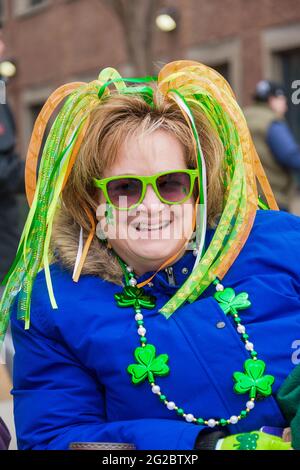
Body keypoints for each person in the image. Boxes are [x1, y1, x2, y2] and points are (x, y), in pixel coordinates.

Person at [0, 61, 299, 450]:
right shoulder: (54, 306)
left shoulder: (282, 242)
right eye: (125, 188)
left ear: (197, 191)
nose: (152, 206)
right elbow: (55, 438)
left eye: (171, 184)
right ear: (93, 203)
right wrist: (199, 447)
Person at [244, 80, 300, 211]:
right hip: (272, 197)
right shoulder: (272, 122)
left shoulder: (243, 115)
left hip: (247, 196)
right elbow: (290, 156)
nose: (285, 106)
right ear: (272, 100)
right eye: (283, 100)